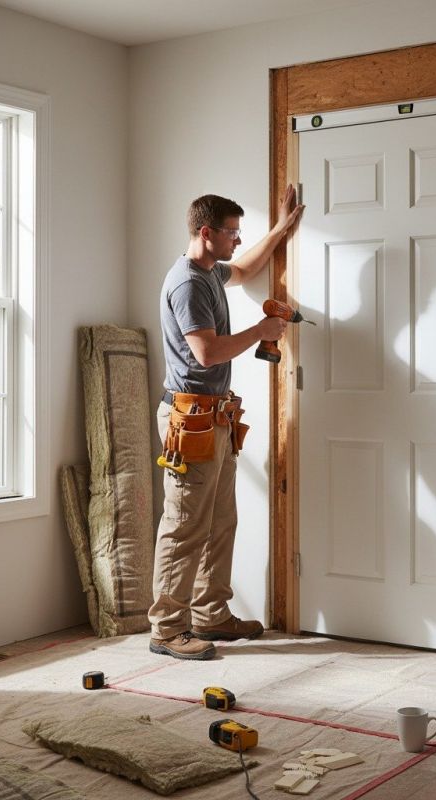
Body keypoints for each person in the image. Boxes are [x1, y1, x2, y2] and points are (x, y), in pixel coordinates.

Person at [148, 185, 304, 660]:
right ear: (205, 232)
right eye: (232, 232)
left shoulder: (211, 271)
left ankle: (210, 614)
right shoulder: (188, 284)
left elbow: (246, 268)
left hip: (215, 416)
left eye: (239, 232)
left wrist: (280, 229)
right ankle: (167, 629)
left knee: (219, 521)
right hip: (190, 418)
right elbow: (207, 351)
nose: (237, 240)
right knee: (184, 525)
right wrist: (260, 332)